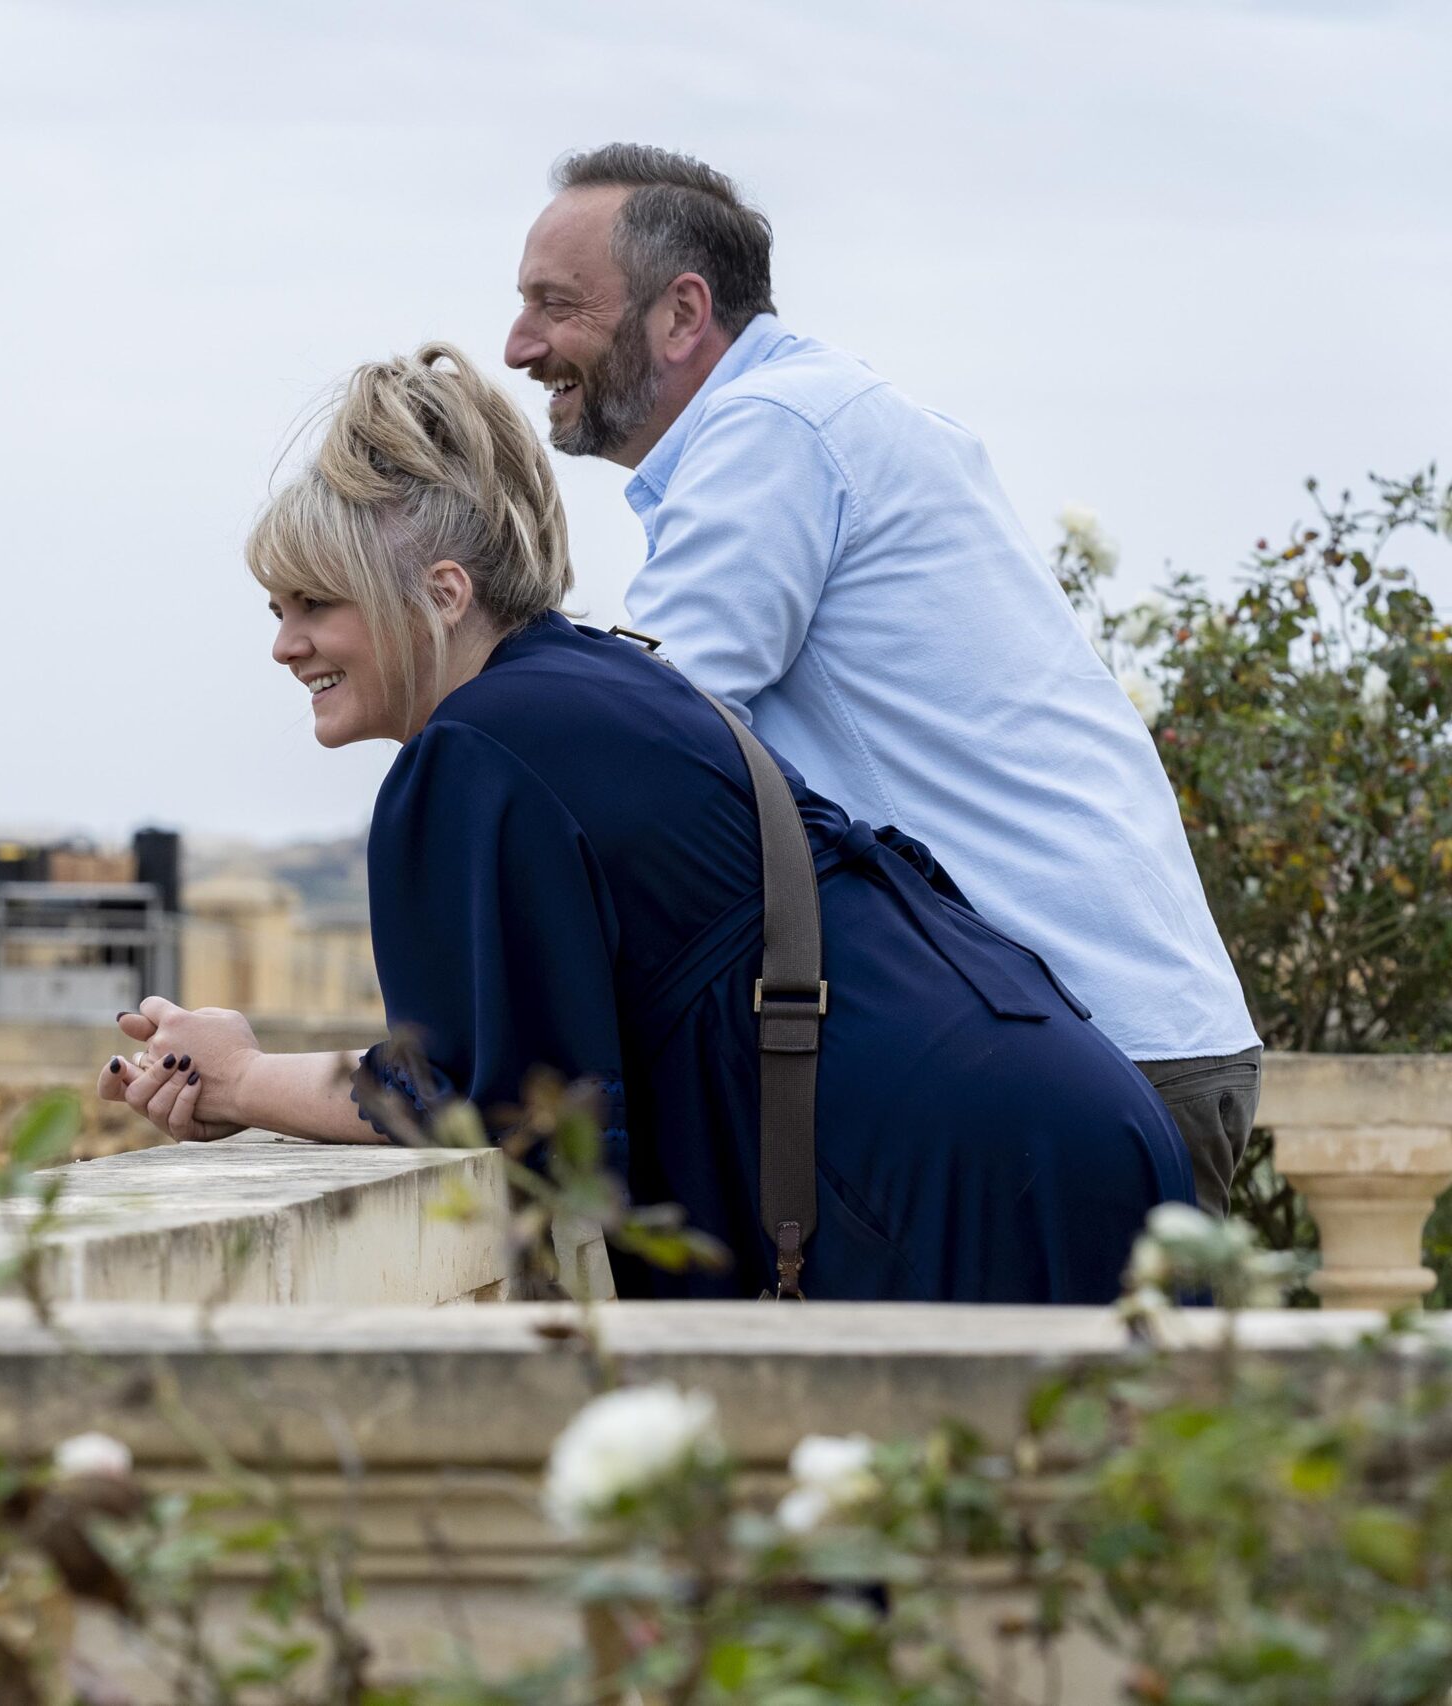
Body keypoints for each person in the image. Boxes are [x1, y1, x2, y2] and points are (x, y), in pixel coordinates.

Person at [101, 343, 1193, 1305]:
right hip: (1045, 1126)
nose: (287, 646)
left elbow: (499, 1114)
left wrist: (242, 1083)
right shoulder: (591, 682)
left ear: (439, 593)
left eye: (315, 605)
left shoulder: (476, 751)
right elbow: (523, 1060)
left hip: (951, 1184)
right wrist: (242, 1064)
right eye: (276, 610)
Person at [501, 144, 1259, 1213]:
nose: (519, 344)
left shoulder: (772, 433)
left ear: (681, 314)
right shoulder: (828, 413)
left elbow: (644, 740)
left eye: (554, 304)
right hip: (1124, 1037)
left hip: (1082, 1065)